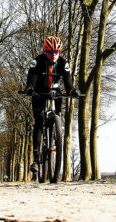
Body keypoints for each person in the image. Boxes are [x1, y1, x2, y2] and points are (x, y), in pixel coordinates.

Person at [25, 36, 80, 173]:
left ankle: (56, 132)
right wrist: (30, 88)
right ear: (45, 51)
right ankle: (37, 159)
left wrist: (71, 90)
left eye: (56, 52)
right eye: (50, 52)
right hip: (39, 92)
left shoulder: (62, 63)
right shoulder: (37, 61)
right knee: (38, 121)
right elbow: (32, 77)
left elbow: (67, 79)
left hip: (55, 91)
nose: (53, 55)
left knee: (58, 116)